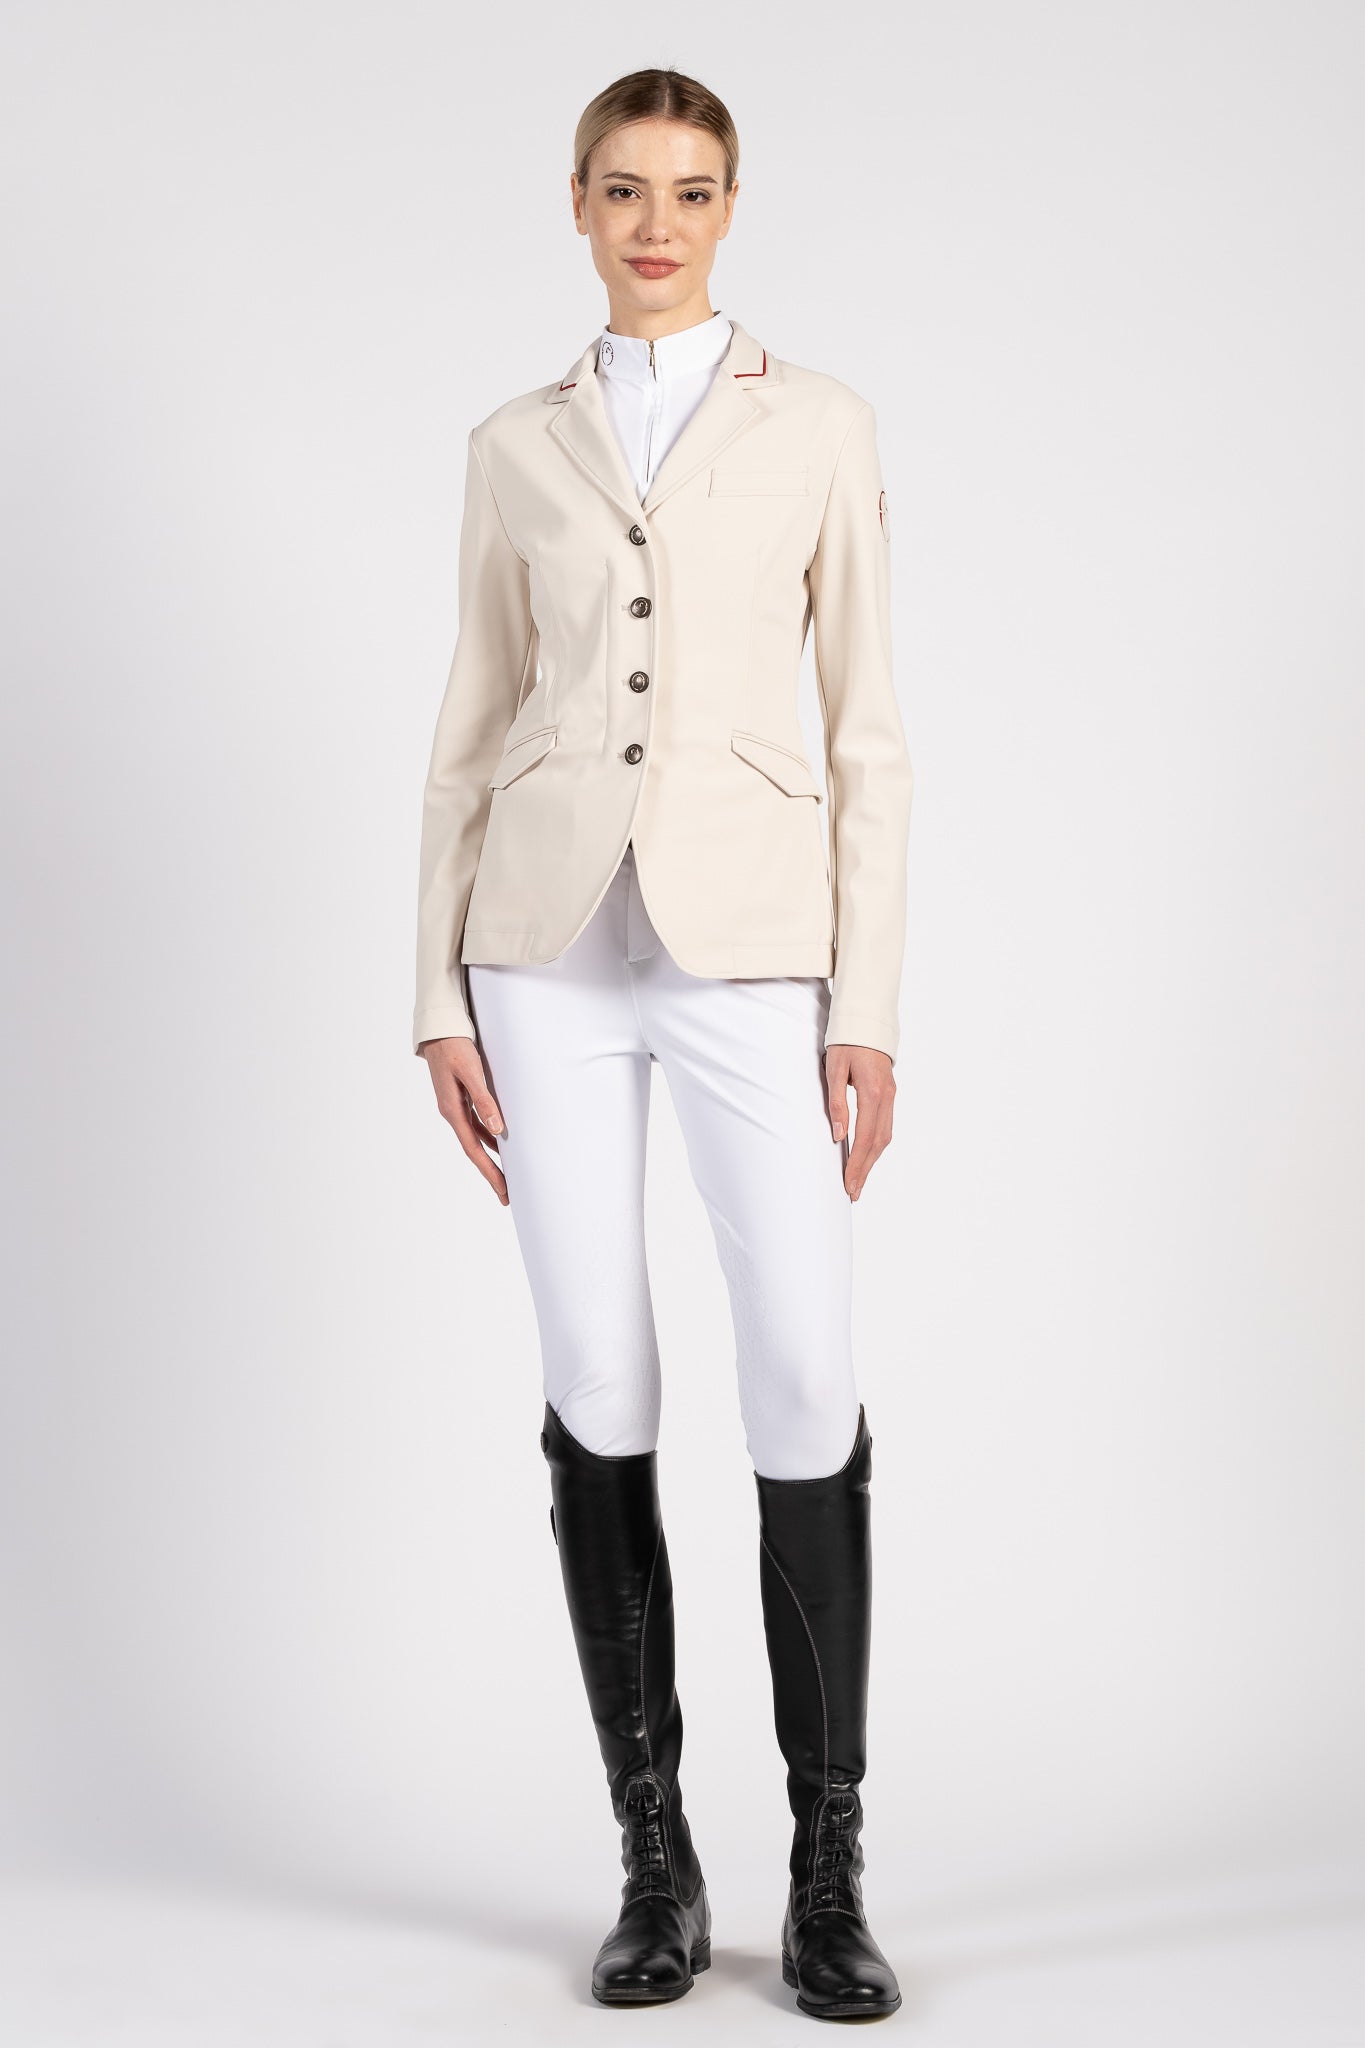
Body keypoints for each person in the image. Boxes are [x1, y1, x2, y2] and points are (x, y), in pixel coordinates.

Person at [413, 65, 912, 2023]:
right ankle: (653, 1859)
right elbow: (466, 729)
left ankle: (825, 1867)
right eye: (622, 189)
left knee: (799, 1369)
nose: (654, 223)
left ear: (728, 208)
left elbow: (869, 735)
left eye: (689, 191)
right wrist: (435, 991)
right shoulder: (512, 444)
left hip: (748, 954)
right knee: (596, 1373)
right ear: (575, 202)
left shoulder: (817, 425)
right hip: (540, 953)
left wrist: (866, 1006)